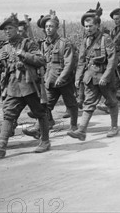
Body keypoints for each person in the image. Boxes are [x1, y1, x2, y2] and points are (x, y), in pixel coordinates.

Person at [0, 13, 48, 158]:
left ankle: (45, 141)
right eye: (5, 29)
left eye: (10, 28)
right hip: (12, 86)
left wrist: (24, 55)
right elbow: (2, 65)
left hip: (29, 85)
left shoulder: (28, 43)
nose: (7, 31)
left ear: (16, 28)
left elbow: (41, 60)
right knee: (8, 115)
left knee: (40, 112)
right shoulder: (5, 47)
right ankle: (1, 145)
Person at [22, 11, 79, 139]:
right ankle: (38, 128)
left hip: (64, 80)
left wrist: (62, 78)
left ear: (57, 28)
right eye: (46, 26)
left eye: (51, 26)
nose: (48, 28)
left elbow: (69, 63)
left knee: (71, 103)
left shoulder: (65, 43)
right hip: (49, 80)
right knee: (45, 106)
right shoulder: (43, 44)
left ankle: (74, 126)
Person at [67, 4, 120, 141]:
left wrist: (106, 76)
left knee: (111, 101)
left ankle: (114, 127)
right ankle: (82, 130)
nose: (88, 29)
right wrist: (78, 78)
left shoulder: (105, 39)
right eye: (86, 26)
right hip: (90, 77)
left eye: (90, 26)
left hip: (104, 77)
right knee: (89, 103)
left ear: (97, 26)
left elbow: (113, 60)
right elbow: (81, 61)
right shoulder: (85, 41)